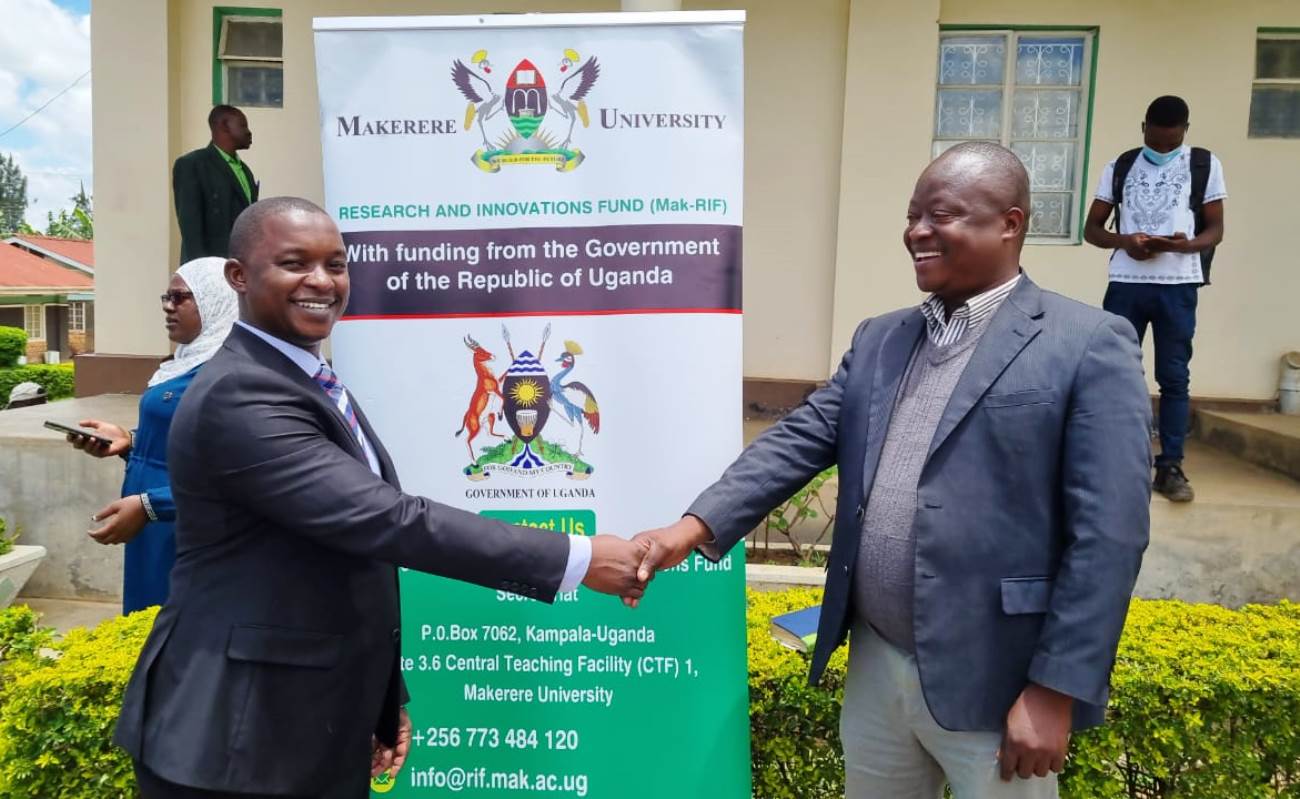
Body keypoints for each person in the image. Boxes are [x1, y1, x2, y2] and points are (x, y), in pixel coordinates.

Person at [633, 143, 1152, 798]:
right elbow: (801, 437)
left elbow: (1111, 533)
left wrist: (1056, 689)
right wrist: (691, 527)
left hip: (997, 677)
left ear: (1009, 224)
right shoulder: (882, 337)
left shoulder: (1086, 342)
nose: (917, 231)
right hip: (879, 662)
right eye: (913, 215)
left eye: (943, 215)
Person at [113, 197, 650, 798]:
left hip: (305, 720)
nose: (321, 282)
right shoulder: (243, 393)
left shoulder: (304, 376)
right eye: (295, 263)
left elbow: (345, 556)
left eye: (336, 265)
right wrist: (576, 558)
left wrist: (377, 698)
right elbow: (387, 522)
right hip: (234, 741)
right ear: (239, 276)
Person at [65, 257, 238, 613]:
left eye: (180, 298)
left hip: (185, 520)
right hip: (154, 520)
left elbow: (239, 472)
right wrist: (131, 441)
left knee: (177, 626)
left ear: (215, 300)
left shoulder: (228, 375)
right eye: (166, 297)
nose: (168, 307)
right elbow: (184, 436)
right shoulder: (186, 363)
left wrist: (152, 504)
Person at [1083, 95, 1226, 503]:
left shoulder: (1204, 165)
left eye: (1171, 141)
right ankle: (1110, 461)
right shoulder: (1121, 166)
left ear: (1184, 131)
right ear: (1143, 127)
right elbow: (1093, 228)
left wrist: (1184, 247)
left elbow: (1215, 229)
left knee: (1174, 377)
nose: (1162, 148)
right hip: (1127, 283)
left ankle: (1170, 467)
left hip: (1179, 285)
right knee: (1113, 372)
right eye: (1155, 138)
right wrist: (1123, 241)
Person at [173, 105, 259, 263]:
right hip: (210, 267)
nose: (249, 131)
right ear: (224, 126)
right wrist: (202, 270)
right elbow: (190, 226)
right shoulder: (192, 165)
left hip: (240, 266)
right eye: (243, 125)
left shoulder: (244, 170)